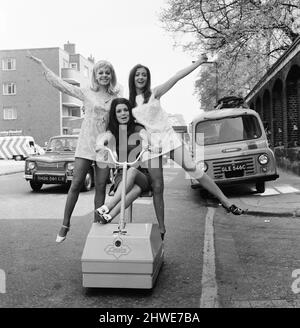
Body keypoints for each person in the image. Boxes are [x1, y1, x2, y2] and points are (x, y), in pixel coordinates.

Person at [128, 55, 245, 239]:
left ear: (147, 78)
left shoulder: (155, 93)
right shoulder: (129, 104)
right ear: (132, 78)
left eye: (143, 75)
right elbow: (126, 122)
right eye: (137, 75)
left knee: (193, 169)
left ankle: (226, 201)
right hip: (150, 147)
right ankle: (162, 227)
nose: (140, 78)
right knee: (158, 186)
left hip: (169, 138)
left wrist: (198, 63)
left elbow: (176, 76)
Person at [27, 52, 122, 243]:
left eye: (107, 73)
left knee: (101, 187)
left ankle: (97, 226)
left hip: (104, 147)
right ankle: (65, 224)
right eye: (100, 72)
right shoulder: (87, 92)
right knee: (76, 184)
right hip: (86, 144)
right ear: (95, 75)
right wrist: (44, 67)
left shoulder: (116, 97)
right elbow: (64, 86)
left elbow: (121, 118)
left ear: (111, 76)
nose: (104, 75)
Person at [94, 98, 154, 232]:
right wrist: (100, 143)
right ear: (115, 115)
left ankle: (108, 206)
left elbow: (145, 135)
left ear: (129, 112)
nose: (123, 113)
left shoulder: (138, 128)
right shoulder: (113, 131)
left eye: (125, 110)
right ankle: (109, 216)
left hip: (141, 174)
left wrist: (147, 142)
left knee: (132, 171)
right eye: (119, 111)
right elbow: (105, 138)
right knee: (136, 190)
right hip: (122, 174)